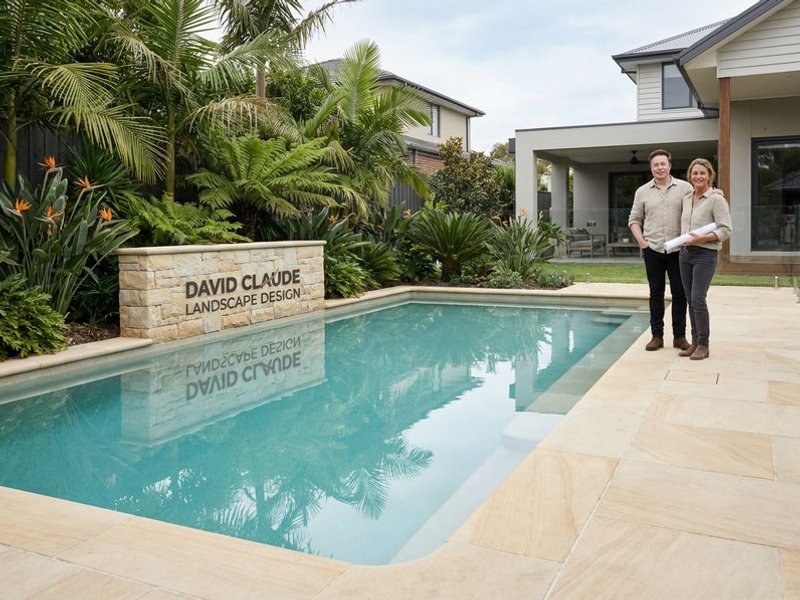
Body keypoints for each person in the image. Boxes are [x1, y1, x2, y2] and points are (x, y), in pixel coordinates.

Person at [628, 149, 691, 352]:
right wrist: (642, 242)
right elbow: (634, 220)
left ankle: (680, 337)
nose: (660, 167)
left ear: (669, 166)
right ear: (651, 168)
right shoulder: (642, 192)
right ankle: (657, 336)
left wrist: (716, 192)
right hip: (653, 249)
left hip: (678, 250)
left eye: (663, 164)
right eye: (656, 164)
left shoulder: (685, 188)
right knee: (656, 293)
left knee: (680, 293)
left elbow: (702, 202)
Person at [677, 158, 732, 360]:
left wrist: (702, 238)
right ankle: (694, 342)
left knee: (698, 299)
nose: (698, 176)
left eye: (702, 173)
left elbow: (726, 229)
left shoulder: (717, 199)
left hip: (705, 255)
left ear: (710, 175)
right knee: (690, 300)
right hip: (685, 254)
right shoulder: (686, 198)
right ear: (690, 176)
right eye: (695, 173)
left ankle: (704, 345)